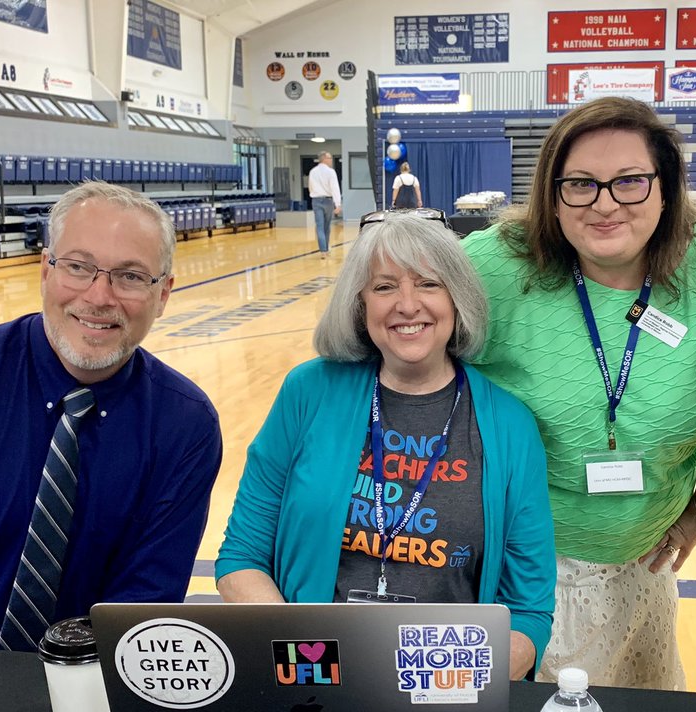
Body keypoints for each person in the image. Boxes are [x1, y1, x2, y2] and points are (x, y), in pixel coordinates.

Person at [461, 96, 696, 689]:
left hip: (641, 566)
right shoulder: (493, 265)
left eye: (630, 182)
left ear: (665, 188)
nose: (605, 203)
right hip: (506, 563)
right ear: (552, 192)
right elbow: (396, 370)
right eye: (581, 185)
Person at [0, 181, 223, 650]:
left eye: (130, 276)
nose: (99, 295)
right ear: (45, 269)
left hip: (89, 692)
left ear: (164, 293)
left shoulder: (185, 427)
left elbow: (140, 612)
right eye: (78, 267)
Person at [215, 212, 556, 680]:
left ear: (457, 298)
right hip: (310, 672)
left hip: (449, 683)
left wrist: (452, 685)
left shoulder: (510, 425)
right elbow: (241, 559)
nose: (407, 304)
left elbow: (529, 613)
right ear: (360, 305)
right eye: (384, 287)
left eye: (428, 284)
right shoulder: (308, 392)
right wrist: (295, 656)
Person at [308, 151, 342, 259]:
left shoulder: (313, 171)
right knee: (326, 226)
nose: (331, 160)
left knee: (319, 226)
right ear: (324, 159)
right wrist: (338, 204)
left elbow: (310, 187)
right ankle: (325, 249)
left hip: (316, 200)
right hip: (328, 201)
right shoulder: (331, 172)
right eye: (330, 158)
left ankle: (323, 250)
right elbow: (334, 188)